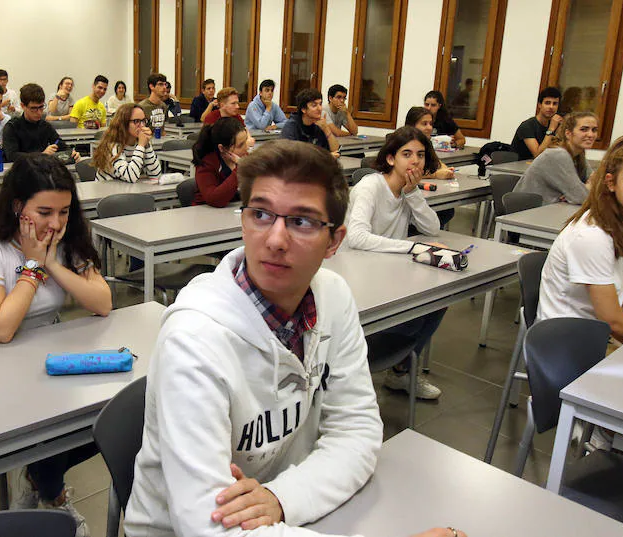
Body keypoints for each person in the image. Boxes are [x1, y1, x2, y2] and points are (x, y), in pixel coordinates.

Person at [125, 139, 465, 537]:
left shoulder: (333, 297)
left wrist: (282, 499)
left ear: (334, 241)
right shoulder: (194, 338)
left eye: (302, 221)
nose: (275, 239)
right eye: (261, 214)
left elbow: (357, 429)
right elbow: (210, 528)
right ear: (243, 221)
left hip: (288, 515)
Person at [0, 153, 111, 537]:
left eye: (64, 211)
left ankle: (37, 479)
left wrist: (52, 262)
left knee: (102, 418)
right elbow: (0, 327)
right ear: (18, 206)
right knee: (49, 425)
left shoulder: (66, 237)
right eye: (44, 211)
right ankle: (53, 493)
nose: (56, 222)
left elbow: (103, 302)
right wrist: (32, 267)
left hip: (47, 345)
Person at [345, 126, 447, 399]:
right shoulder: (371, 186)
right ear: (391, 159)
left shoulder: (406, 191)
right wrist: (412, 247)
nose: (415, 161)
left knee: (438, 300)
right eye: (407, 154)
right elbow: (356, 238)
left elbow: (432, 228)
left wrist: (413, 193)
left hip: (388, 270)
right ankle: (359, 369)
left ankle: (400, 371)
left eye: (421, 155)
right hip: (356, 273)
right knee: (414, 309)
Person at [537, 136, 623, 344]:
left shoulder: (619, 221)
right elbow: (612, 321)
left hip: (595, 332)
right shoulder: (592, 236)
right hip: (567, 344)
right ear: (611, 183)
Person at [513, 112, 598, 205]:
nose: (590, 134)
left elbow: (597, 183)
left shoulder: (579, 154)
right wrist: (587, 187)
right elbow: (582, 197)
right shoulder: (558, 155)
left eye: (594, 130)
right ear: (568, 133)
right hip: (527, 213)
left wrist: (581, 190)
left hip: (551, 209)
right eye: (584, 129)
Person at [1, 83, 80, 164]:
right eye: (34, 108)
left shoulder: (45, 126)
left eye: (41, 107)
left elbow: (60, 144)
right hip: (21, 171)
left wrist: (71, 153)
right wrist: (41, 155)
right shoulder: (12, 127)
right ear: (23, 106)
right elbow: (12, 156)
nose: (39, 112)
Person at [405, 106, 455, 228]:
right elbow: (407, 171)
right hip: (405, 193)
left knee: (447, 209)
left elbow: (436, 162)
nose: (429, 128)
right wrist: (436, 174)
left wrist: (445, 169)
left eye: (430, 123)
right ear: (412, 125)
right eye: (424, 124)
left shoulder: (425, 142)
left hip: (420, 192)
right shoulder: (403, 143)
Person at [91, 103, 160, 183]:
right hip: (106, 192)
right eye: (136, 121)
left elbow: (156, 175)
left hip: (127, 190)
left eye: (143, 121)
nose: (142, 125)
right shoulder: (112, 146)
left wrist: (147, 145)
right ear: (123, 123)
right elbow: (131, 177)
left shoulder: (141, 143)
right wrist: (141, 146)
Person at [190, 117, 250, 207]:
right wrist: (240, 170)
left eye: (246, 141)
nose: (246, 148)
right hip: (206, 213)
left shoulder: (244, 157)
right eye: (241, 145)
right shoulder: (206, 163)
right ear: (222, 148)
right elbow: (215, 200)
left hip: (233, 210)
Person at [280, 88, 340, 156]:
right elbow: (289, 155)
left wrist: (326, 129)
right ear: (303, 109)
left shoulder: (319, 125)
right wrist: (325, 157)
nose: (319, 108)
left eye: (320, 104)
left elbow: (336, 150)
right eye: (314, 105)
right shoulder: (291, 126)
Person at [510, 86, 562, 160]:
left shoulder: (556, 125)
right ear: (539, 105)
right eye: (547, 103)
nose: (551, 107)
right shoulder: (527, 126)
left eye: (555, 104)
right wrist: (551, 129)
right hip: (518, 168)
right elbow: (538, 156)